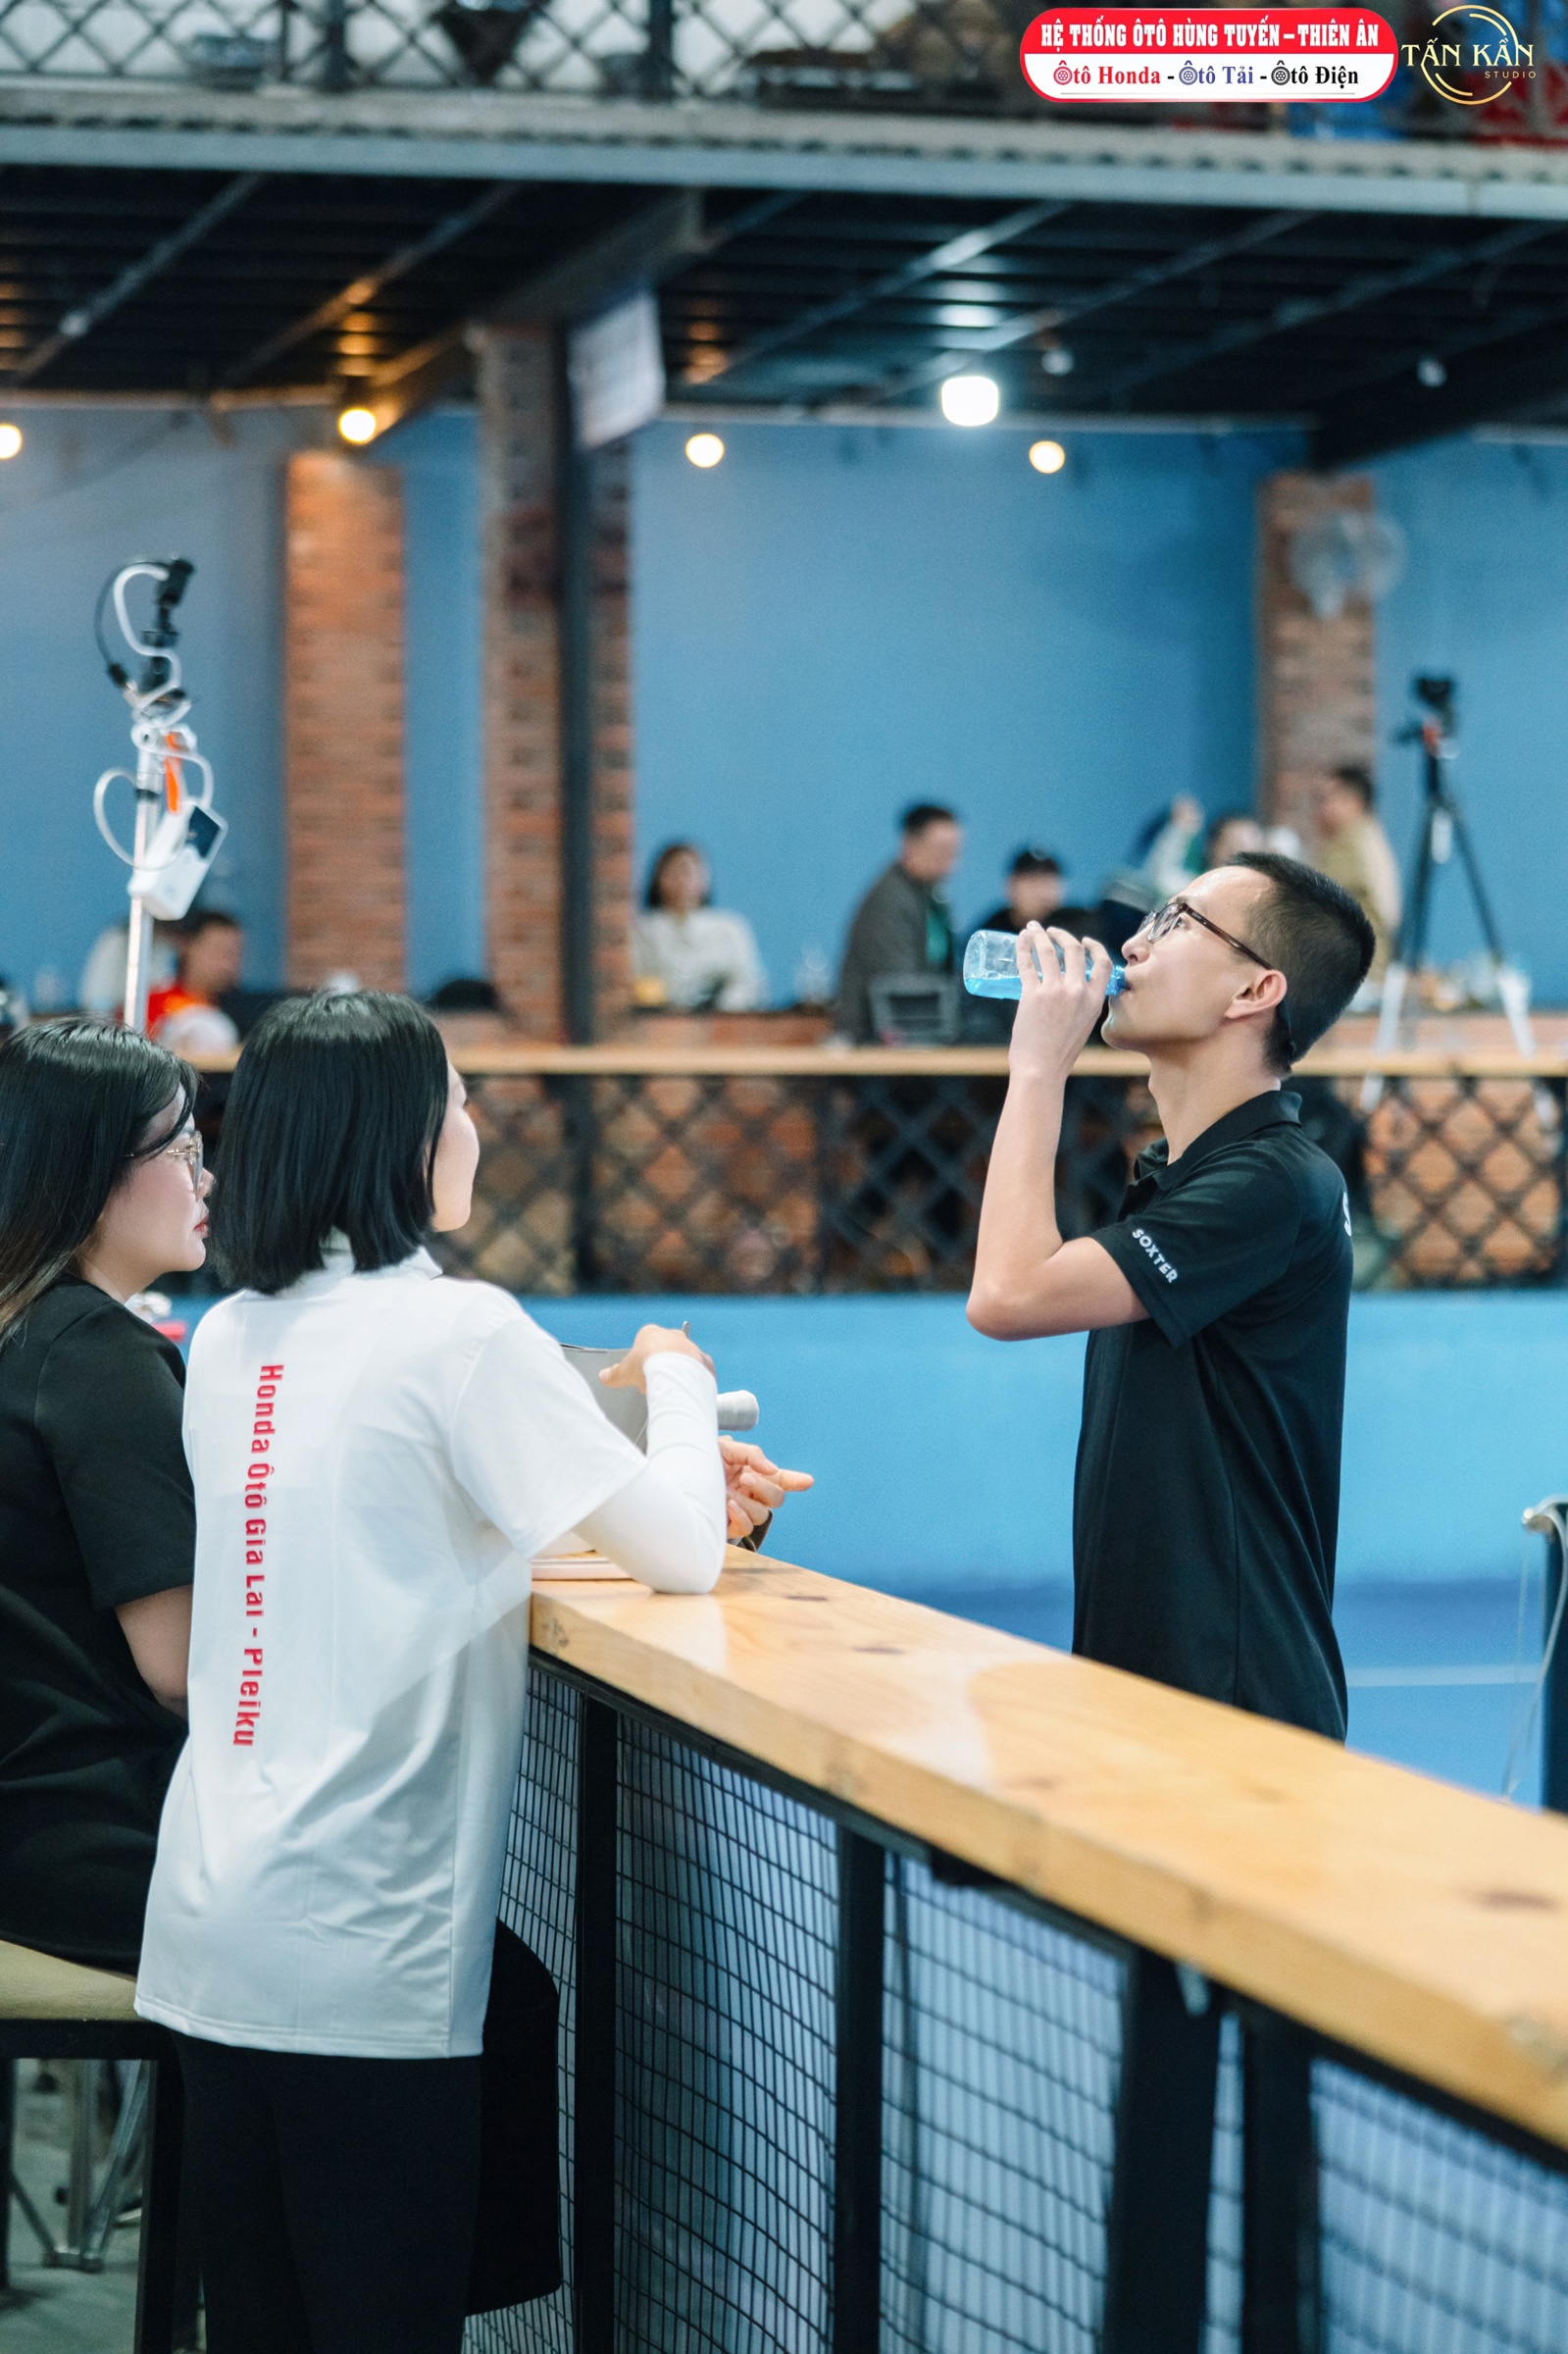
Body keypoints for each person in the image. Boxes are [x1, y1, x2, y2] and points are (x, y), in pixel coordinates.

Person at [132, 992, 803, 2354]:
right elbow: (680, 1553)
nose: (477, 1126)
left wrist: (620, 1463)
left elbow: (394, 1503)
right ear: (400, 1135)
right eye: (458, 1098)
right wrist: (675, 1381)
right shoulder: (461, 1333)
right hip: (363, 1955)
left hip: (207, 1927)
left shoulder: (232, 1335)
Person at [967, 853, 1375, 1739]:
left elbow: (1006, 1294)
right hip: (1148, 1685)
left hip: (1232, 1699)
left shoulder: (1274, 1183)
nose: (1133, 946)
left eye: (1178, 924)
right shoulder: (1183, 1174)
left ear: (1254, 991)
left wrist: (1037, 1070)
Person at [0, 1021, 210, 1971]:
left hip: (32, 1821)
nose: (206, 1179)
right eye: (183, 1149)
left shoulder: (31, 1331)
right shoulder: (99, 1359)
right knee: (488, 1980)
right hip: (91, 1838)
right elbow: (181, 1667)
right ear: (89, 1169)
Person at [835, 803, 963, 1045]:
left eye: (955, 852)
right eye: (942, 851)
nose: (951, 863)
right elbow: (901, 986)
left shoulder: (931, 898)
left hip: (919, 1032)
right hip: (877, 1040)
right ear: (910, 845)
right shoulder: (890, 901)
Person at [634, 843, 766, 1012]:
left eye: (687, 872)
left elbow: (748, 982)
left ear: (704, 879)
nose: (680, 881)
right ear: (657, 880)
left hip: (721, 1020)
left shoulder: (729, 928)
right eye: (672, 873)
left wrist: (722, 1008)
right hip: (663, 1021)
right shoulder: (643, 930)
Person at [963, 848, 1068, 1044]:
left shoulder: (1073, 930)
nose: (1041, 891)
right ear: (1011, 885)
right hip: (998, 1036)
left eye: (1048, 881)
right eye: (1032, 881)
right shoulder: (990, 932)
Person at [1312, 765, 1402, 982]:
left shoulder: (1350, 844)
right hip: (1367, 963)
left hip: (1356, 968)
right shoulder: (1369, 836)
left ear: (1354, 802)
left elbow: (1311, 894)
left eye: (1327, 798)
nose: (1321, 808)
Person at [147, 908, 245, 1055]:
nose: (227, 965)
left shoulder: (241, 1011)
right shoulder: (154, 1005)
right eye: (219, 951)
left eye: (235, 954)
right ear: (188, 947)